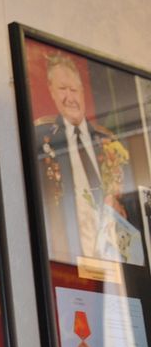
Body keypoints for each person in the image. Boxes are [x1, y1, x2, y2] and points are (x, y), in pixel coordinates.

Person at [34, 53, 132, 262]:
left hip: (113, 255)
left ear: (82, 91)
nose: (70, 97)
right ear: (51, 91)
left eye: (74, 89)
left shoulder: (109, 141)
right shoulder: (40, 139)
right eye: (62, 89)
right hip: (68, 254)